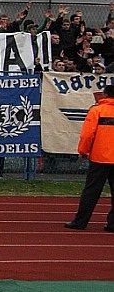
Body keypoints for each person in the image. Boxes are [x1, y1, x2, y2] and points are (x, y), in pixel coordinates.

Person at [64, 84, 114, 232]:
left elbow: (87, 135)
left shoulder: (97, 110)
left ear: (105, 95)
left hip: (100, 158)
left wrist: (83, 151)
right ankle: (112, 224)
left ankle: (80, 222)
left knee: (91, 192)